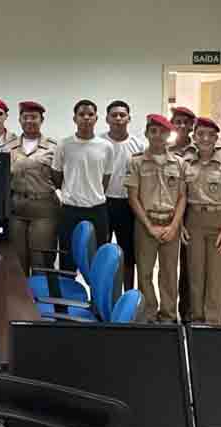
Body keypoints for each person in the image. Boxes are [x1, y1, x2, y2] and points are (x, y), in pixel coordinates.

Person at [125, 114, 186, 323]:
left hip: (171, 223)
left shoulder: (179, 163)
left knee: (169, 273)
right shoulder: (136, 162)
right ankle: (148, 313)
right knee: (144, 272)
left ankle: (168, 315)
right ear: (146, 133)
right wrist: (149, 226)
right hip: (145, 224)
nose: (157, 135)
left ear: (169, 135)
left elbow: (182, 197)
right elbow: (133, 198)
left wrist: (174, 226)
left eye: (162, 132)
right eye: (153, 131)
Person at [182, 117, 221, 324]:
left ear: (217, 138)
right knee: (196, 274)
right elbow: (179, 197)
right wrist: (180, 224)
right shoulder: (185, 163)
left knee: (217, 275)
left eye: (210, 135)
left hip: (218, 221)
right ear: (194, 137)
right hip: (193, 221)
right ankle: (197, 318)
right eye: (200, 134)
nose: (205, 138)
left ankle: (213, 321)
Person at [51, 99, 114, 271]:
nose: (86, 118)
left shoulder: (106, 146)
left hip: (97, 210)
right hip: (70, 209)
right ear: (74, 118)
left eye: (90, 114)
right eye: (81, 114)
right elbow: (57, 176)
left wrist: (92, 192)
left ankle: (96, 297)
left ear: (96, 118)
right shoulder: (63, 145)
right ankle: (67, 294)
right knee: (67, 258)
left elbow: (105, 179)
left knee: (98, 260)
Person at [3, 101, 60, 275]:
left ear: (41, 120)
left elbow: (59, 178)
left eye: (34, 117)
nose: (29, 121)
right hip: (16, 208)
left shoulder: (53, 147)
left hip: (43, 210)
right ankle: (20, 301)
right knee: (17, 262)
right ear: (19, 120)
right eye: (25, 117)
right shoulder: (8, 147)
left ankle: (41, 301)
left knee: (41, 261)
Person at [101, 100, 145, 291]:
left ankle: (127, 295)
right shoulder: (99, 143)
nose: (118, 119)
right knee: (102, 253)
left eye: (122, 115)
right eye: (114, 115)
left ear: (129, 118)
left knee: (128, 254)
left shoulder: (139, 145)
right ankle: (101, 296)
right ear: (107, 119)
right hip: (103, 203)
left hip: (129, 204)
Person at [170, 106, 197, 322]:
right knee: (168, 265)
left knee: (189, 265)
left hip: (193, 213)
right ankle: (166, 309)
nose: (181, 126)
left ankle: (187, 310)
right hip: (168, 212)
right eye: (177, 121)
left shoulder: (198, 151)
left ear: (191, 126)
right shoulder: (165, 149)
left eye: (186, 122)